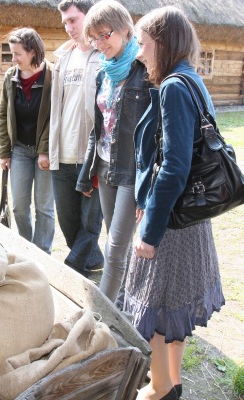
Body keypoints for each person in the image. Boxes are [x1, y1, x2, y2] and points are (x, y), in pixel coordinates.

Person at [125, 7, 225, 400]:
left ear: (162, 44)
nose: (139, 53)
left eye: (143, 44)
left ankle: (159, 388)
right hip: (188, 215)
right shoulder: (191, 80)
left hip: (171, 220)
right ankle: (172, 382)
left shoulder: (172, 86)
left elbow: (175, 166)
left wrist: (149, 229)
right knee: (173, 306)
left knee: (155, 305)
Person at [76, 0, 152, 304]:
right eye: (92, 38)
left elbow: (154, 134)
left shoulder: (145, 72)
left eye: (103, 35)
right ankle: (126, 303)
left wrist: (148, 189)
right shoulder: (103, 74)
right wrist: (87, 174)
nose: (97, 43)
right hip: (105, 168)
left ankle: (101, 316)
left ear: (124, 30)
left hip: (132, 171)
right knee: (116, 244)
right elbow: (99, 128)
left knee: (115, 248)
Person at [49, 0, 103, 277]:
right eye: (65, 23)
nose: (69, 28)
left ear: (89, 17)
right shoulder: (62, 59)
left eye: (73, 20)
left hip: (93, 155)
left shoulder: (104, 57)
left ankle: (71, 269)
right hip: (62, 153)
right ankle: (93, 261)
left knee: (90, 221)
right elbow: (53, 109)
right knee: (68, 222)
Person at [0, 28, 55, 254]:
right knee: (20, 207)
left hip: (46, 152)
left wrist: (45, 150)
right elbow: (3, 114)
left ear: (32, 52)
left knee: (44, 208)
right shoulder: (10, 77)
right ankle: (27, 249)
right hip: (19, 149)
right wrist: (4, 152)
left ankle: (43, 255)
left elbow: (54, 117)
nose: (13, 59)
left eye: (17, 53)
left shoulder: (52, 75)